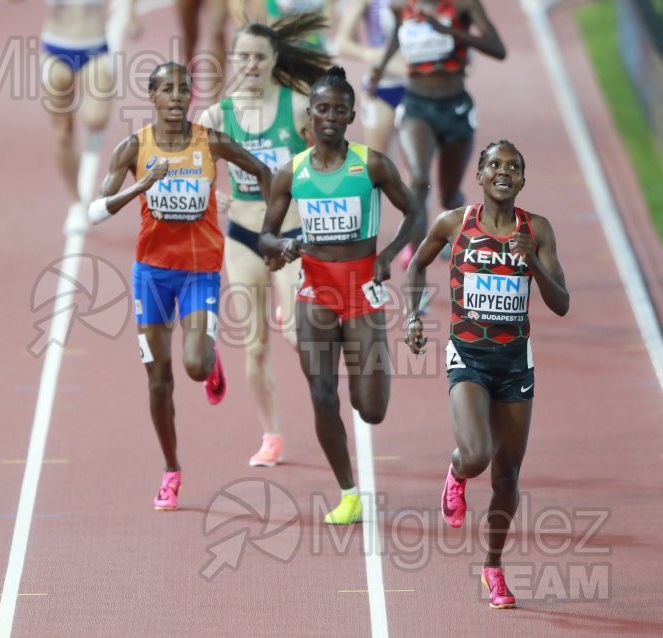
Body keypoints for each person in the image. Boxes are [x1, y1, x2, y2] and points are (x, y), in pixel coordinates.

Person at [82, 63, 273, 511]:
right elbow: (94, 211)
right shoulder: (134, 148)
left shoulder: (211, 142)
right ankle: (171, 470)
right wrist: (139, 189)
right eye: (166, 89)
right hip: (151, 274)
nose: (175, 96)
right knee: (158, 383)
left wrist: (269, 227)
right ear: (152, 96)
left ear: (191, 97)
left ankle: (207, 353)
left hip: (198, 270)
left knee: (193, 365)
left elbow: (264, 172)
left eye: (183, 89)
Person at [403, 140, 570, 608]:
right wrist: (413, 317)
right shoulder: (454, 223)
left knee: (508, 478)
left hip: (516, 364)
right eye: (494, 164)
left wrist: (532, 261)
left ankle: (493, 568)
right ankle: (456, 473)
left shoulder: (537, 229)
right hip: (469, 358)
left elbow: (562, 304)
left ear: (522, 179)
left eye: (513, 166)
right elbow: (415, 267)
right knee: (476, 454)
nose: (504, 171)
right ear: (478, 175)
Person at [259, 66, 423, 524]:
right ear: (309, 116)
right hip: (314, 292)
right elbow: (266, 238)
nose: (330, 116)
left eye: (339, 110)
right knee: (323, 395)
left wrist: (389, 253)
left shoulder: (370, 164)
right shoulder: (291, 173)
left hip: (362, 291)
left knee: (370, 410)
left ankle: (366, 374)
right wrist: (286, 246)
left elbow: (413, 211)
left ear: (351, 115)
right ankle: (349, 493)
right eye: (322, 109)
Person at [198, 14, 331, 468]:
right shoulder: (217, 116)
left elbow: (326, 162)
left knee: (297, 337)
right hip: (242, 238)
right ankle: (271, 434)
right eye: (243, 56)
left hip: (291, 238)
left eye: (259, 56)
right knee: (254, 345)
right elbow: (195, 173)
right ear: (232, 59)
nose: (250, 64)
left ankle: (289, 310)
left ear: (275, 59)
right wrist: (210, 194)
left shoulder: (298, 108)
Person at [368, 0, 505, 270]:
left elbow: (499, 49)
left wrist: (452, 33)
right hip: (416, 106)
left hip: (455, 108)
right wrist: (379, 70)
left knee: (448, 196)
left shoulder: (464, 5)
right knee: (418, 182)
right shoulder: (403, 7)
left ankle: (457, 210)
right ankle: (417, 267)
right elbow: (398, 35)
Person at [38, 0, 140, 233]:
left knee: (96, 120)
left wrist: (131, 14)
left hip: (93, 47)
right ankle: (76, 204)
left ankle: (92, 139)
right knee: (62, 134)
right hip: (55, 48)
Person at [334, 0, 407, 159]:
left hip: (419, 85)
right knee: (378, 161)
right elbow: (341, 43)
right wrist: (373, 55)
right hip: (382, 86)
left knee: (418, 167)